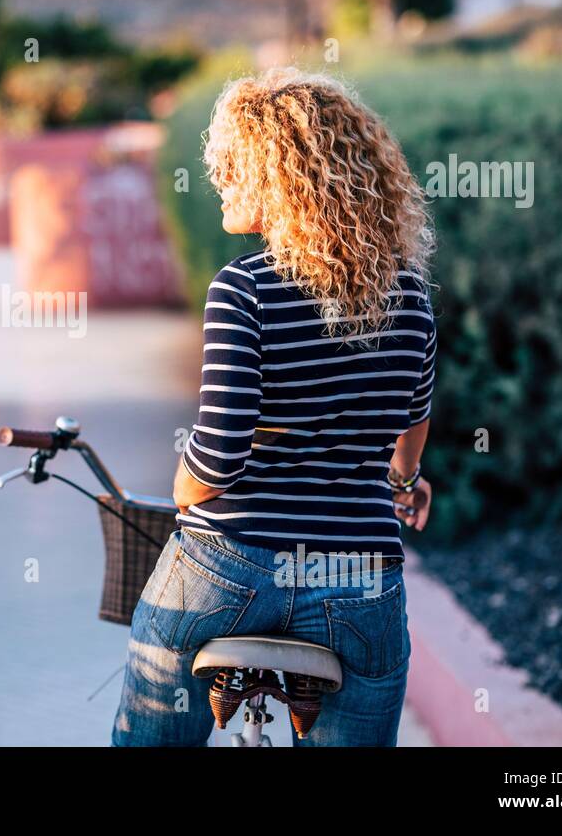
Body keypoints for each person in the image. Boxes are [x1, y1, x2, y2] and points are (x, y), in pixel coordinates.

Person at [112, 68, 436, 746]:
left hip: (231, 564)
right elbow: (412, 418)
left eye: (233, 165)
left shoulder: (244, 292)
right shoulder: (411, 298)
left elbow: (218, 454)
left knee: (153, 676)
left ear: (279, 177)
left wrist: (183, 485)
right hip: (360, 574)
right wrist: (404, 481)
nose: (220, 179)